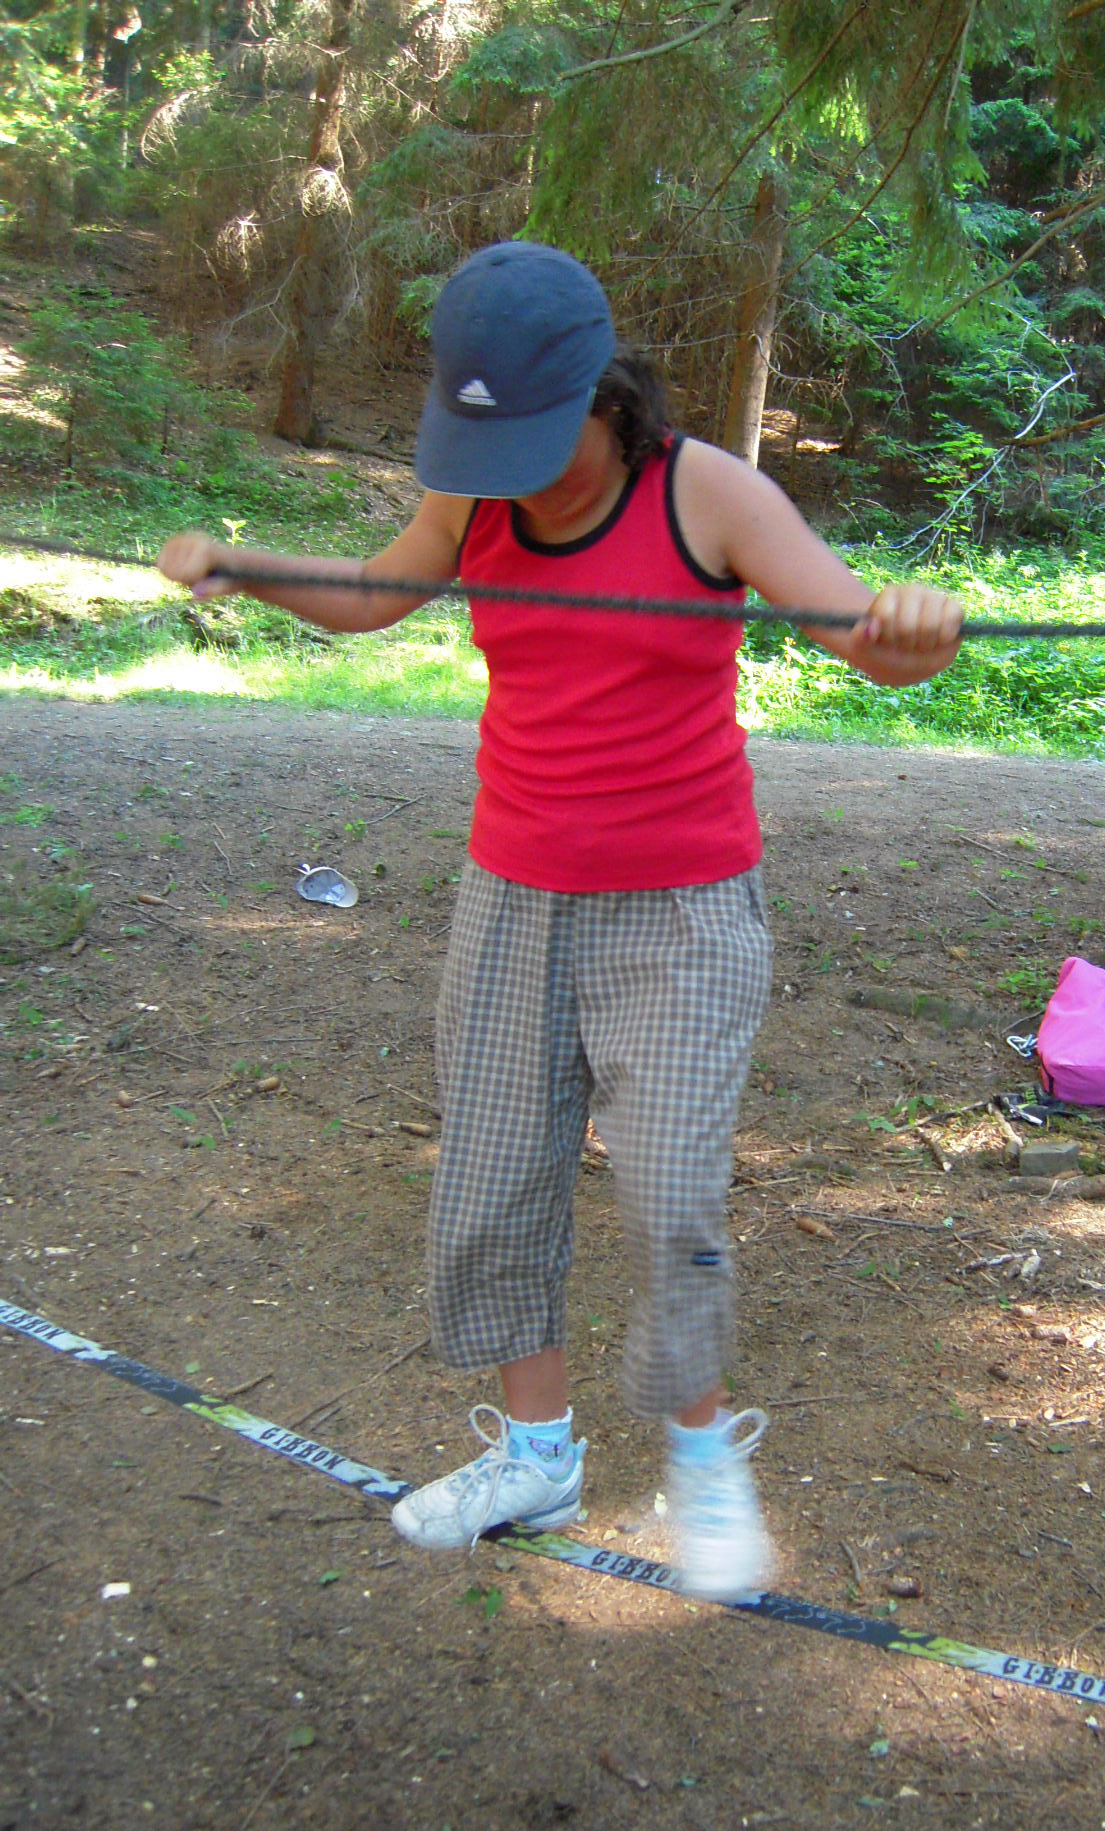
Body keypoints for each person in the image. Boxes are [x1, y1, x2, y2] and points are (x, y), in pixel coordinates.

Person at [157, 240, 963, 1601]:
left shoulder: (707, 492)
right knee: (492, 1180)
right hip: (513, 891)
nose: (515, 475)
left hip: (682, 910)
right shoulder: (473, 489)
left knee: (670, 1190)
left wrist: (914, 631)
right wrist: (247, 564)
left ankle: (701, 1456)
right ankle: (536, 1457)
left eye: (538, 441)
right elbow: (378, 596)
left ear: (605, 395)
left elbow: (860, 635)